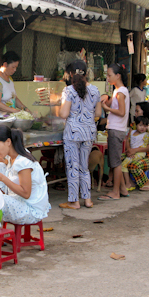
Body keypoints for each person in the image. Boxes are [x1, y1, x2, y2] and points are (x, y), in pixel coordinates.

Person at [58, 60, 102, 209]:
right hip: (89, 133)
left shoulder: (69, 91)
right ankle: (87, 200)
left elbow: (64, 113)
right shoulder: (95, 90)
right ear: (87, 73)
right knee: (84, 166)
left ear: (71, 74)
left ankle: (74, 201)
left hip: (72, 133)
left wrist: (58, 109)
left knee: (72, 166)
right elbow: (98, 113)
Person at [0, 126, 51, 224]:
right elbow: (2, 163)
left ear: (8, 142)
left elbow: (26, 194)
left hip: (31, 209)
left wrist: (2, 178)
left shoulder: (22, 162)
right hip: (21, 203)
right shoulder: (13, 156)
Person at [98, 64, 130, 200]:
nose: (108, 78)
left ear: (118, 76)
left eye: (110, 75)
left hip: (117, 129)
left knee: (115, 162)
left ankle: (115, 192)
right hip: (116, 129)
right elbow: (110, 102)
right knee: (115, 160)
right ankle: (122, 189)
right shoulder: (118, 91)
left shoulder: (121, 92)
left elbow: (122, 112)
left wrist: (107, 108)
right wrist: (106, 99)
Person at [124, 101, 149, 191]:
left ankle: (147, 183)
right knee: (116, 159)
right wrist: (129, 150)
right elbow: (128, 139)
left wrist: (134, 151)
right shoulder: (134, 125)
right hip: (132, 153)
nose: (135, 113)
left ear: (144, 111)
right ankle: (113, 181)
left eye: (137, 111)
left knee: (133, 165)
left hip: (147, 157)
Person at [122, 116, 149, 190]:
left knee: (124, 164)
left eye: (145, 126)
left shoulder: (145, 134)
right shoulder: (132, 132)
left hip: (139, 153)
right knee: (118, 159)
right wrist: (129, 151)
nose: (142, 128)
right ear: (136, 125)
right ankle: (128, 182)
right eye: (140, 125)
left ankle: (128, 183)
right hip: (131, 152)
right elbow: (128, 141)